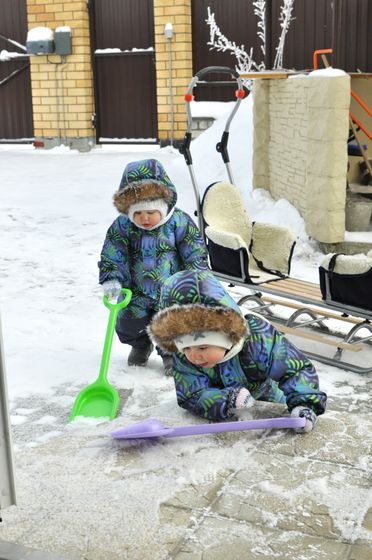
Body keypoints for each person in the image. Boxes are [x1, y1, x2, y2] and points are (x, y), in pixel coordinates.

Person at [149, 269, 327, 432]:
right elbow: (190, 394)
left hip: (268, 397)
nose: (194, 355)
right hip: (227, 408)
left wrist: (304, 405)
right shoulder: (186, 357)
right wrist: (227, 399)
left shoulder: (258, 337)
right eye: (185, 347)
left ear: (226, 335)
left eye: (203, 347)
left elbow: (294, 369)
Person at [98, 159, 208, 374]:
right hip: (134, 290)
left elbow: (194, 251)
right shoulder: (123, 226)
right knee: (129, 323)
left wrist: (197, 278)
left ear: (162, 205)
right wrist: (111, 276)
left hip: (170, 290)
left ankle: (170, 354)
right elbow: (113, 253)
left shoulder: (179, 222)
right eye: (137, 213)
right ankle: (140, 345)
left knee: (170, 324)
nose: (144, 218)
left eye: (150, 212)